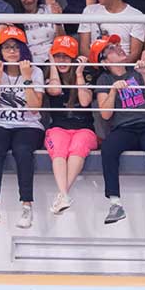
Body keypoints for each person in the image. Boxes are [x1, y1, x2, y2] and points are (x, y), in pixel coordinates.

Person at [94, 35, 145, 224]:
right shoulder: (104, 79)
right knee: (109, 148)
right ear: (104, 61)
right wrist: (113, 90)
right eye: (111, 48)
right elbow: (105, 115)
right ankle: (115, 203)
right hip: (123, 128)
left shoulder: (136, 71)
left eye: (117, 45)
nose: (118, 48)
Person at [0, 25, 45, 229]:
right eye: (7, 47)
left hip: (28, 124)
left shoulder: (35, 72)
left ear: (23, 50)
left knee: (23, 151)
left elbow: (35, 109)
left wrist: (27, 78)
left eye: (16, 47)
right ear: (0, 51)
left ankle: (26, 206)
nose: (11, 51)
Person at [43, 34, 94, 215]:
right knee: (59, 147)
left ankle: (63, 194)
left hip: (84, 129)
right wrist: (51, 62)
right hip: (59, 128)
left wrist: (79, 73)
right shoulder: (49, 75)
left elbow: (85, 101)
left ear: (73, 57)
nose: (62, 60)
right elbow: (55, 90)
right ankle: (64, 195)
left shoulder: (86, 73)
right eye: (58, 56)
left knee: (77, 146)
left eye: (66, 56)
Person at [78, 0, 145, 61]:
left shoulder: (136, 16)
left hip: (123, 69)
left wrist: (116, 67)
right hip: (95, 66)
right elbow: (83, 48)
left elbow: (135, 54)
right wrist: (101, 65)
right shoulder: (89, 11)